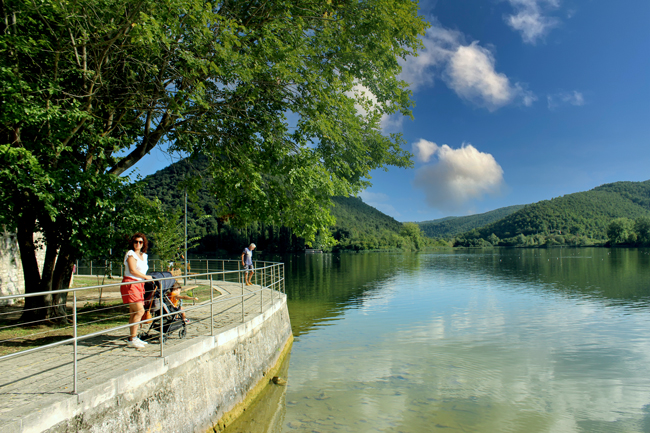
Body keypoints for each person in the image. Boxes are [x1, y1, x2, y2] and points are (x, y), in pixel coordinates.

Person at [120, 233, 153, 349]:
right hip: (131, 284)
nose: (138, 244)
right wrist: (146, 277)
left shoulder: (144, 256)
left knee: (134, 313)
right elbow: (133, 270)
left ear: (144, 243)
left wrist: (144, 278)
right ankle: (132, 338)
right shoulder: (130, 254)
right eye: (136, 242)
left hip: (139, 285)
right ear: (132, 243)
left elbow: (141, 271)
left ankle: (133, 337)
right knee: (140, 311)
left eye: (140, 242)